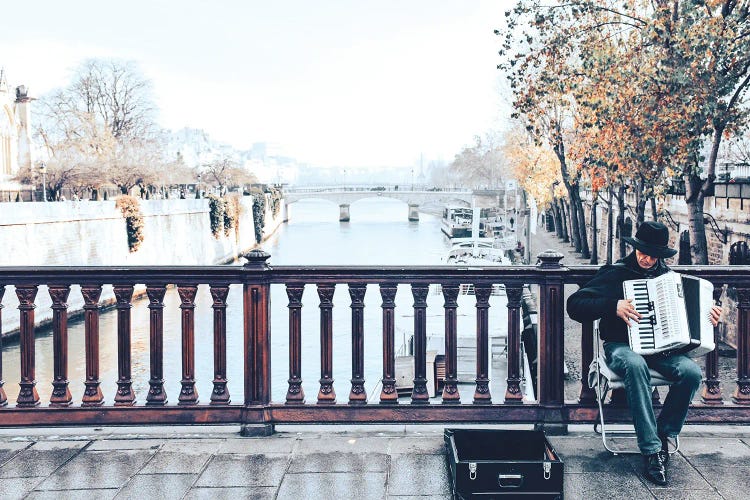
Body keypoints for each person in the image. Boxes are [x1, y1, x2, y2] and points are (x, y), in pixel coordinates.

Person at [567, 221, 721, 486]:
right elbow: (575, 305)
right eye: (643, 253)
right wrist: (612, 305)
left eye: (654, 255)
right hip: (621, 346)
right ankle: (651, 451)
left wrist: (710, 316)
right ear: (635, 248)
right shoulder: (615, 273)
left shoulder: (670, 280)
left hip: (662, 351)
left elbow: (690, 325)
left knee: (691, 372)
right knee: (635, 364)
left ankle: (664, 435)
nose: (648, 259)